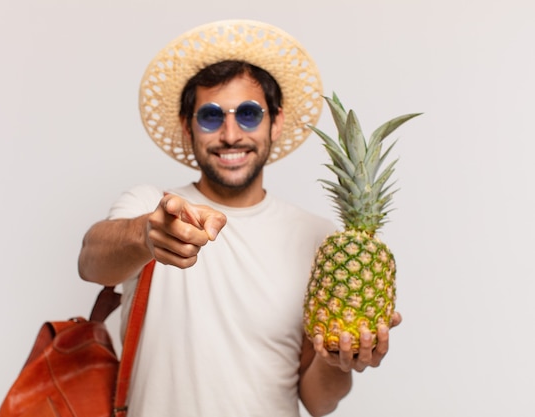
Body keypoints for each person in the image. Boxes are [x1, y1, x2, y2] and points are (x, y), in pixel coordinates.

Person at [78, 19, 401, 417]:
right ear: (187, 127)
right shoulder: (151, 204)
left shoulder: (319, 238)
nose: (231, 134)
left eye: (249, 114)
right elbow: (91, 262)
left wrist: (338, 360)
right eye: (211, 117)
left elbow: (318, 402)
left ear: (276, 122)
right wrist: (145, 235)